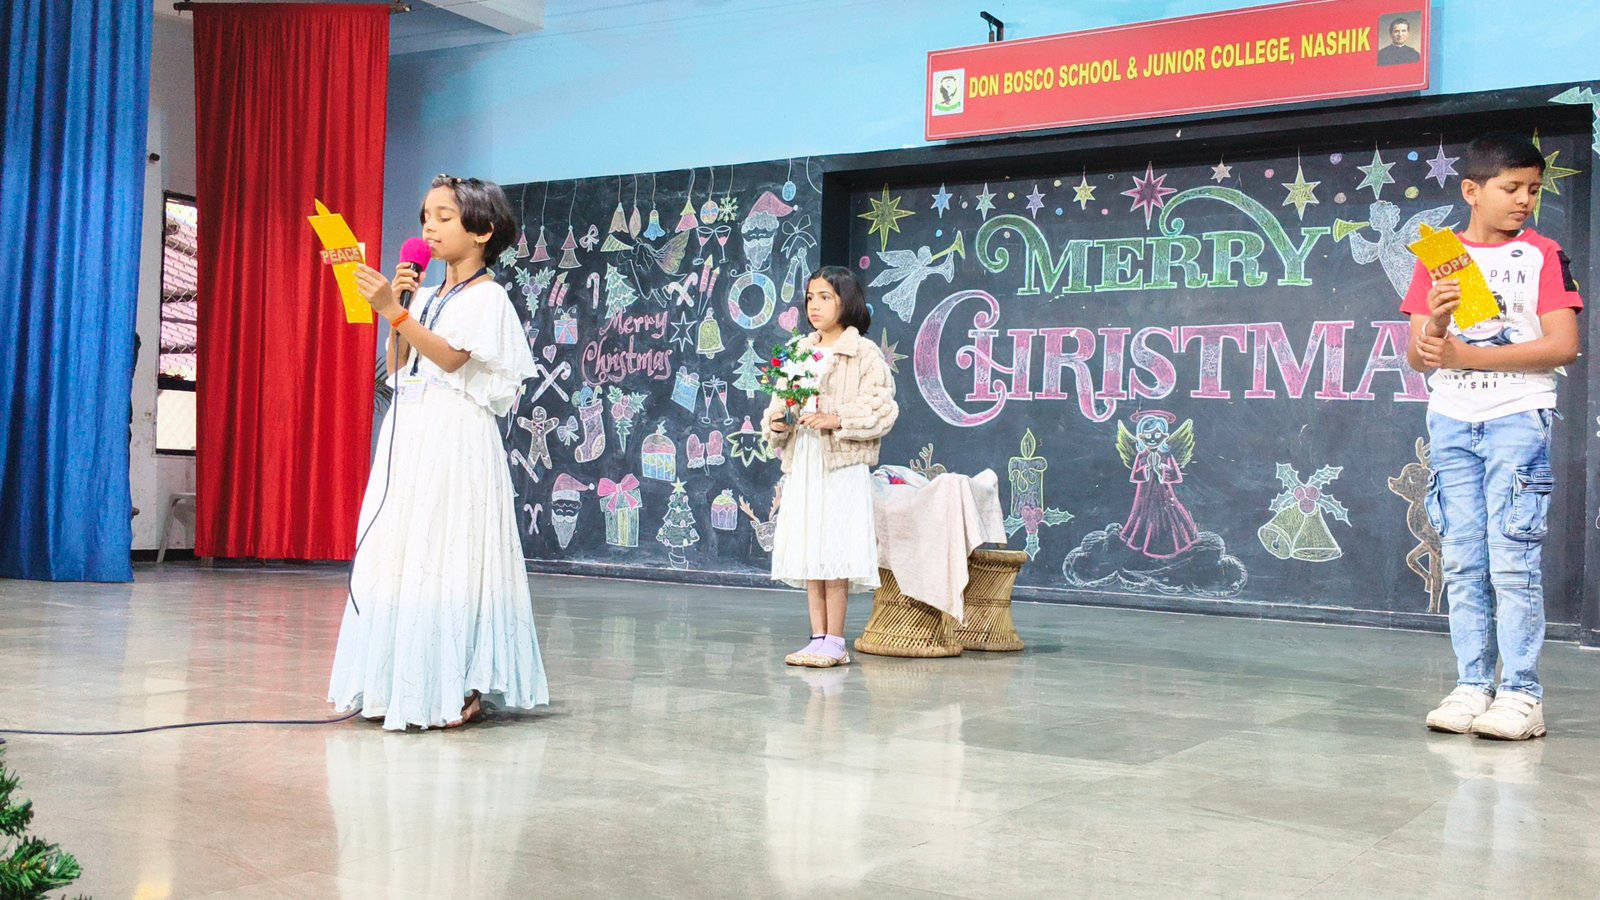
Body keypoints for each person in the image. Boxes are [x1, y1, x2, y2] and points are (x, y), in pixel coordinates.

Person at [328, 174, 549, 730]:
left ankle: (457, 683)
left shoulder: (488, 296)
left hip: (455, 436)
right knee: (408, 552)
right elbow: (400, 365)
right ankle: (400, 681)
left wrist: (393, 311)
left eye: (444, 217)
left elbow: (452, 359)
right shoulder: (424, 296)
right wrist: (401, 307)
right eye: (426, 216)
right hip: (413, 432)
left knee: (451, 552)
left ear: (483, 230)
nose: (429, 226)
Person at [1403, 133, 1582, 740]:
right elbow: (1421, 357)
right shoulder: (1441, 252)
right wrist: (1436, 323)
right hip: (1451, 419)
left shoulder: (1542, 253)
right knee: (1462, 559)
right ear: (1471, 190)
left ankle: (1522, 694)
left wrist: (1468, 355)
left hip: (1517, 418)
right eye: (1511, 188)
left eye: (1533, 189)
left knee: (1513, 558)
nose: (1524, 200)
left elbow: (1563, 345)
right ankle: (1472, 685)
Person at [762, 267, 898, 668]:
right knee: (811, 546)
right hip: (804, 459)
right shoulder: (798, 351)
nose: (814, 305)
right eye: (810, 297)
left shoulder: (863, 353)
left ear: (846, 301)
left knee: (835, 546)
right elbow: (778, 406)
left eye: (825, 297)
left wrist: (836, 418)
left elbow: (881, 408)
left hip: (840, 463)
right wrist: (777, 423)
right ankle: (817, 636)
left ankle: (836, 640)